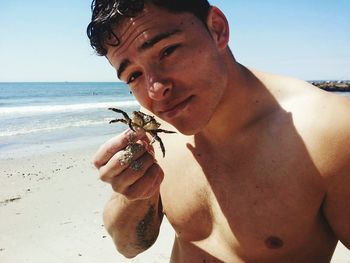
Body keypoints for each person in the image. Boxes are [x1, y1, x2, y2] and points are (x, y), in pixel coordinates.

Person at [87, 0, 350, 262]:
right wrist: (134, 195)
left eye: (167, 51)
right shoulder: (157, 133)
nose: (156, 89)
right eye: (133, 76)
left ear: (217, 29)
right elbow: (128, 247)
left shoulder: (331, 131)